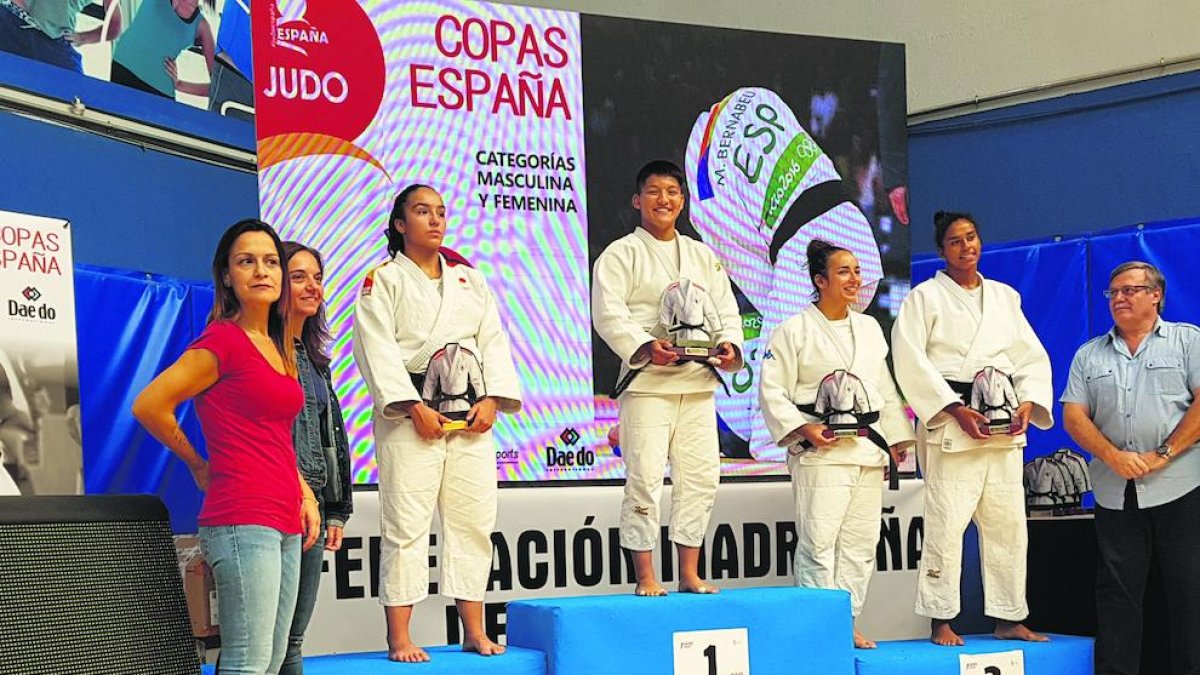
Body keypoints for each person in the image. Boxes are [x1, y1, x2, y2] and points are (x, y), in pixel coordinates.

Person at [132, 219, 320, 674]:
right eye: (246, 261)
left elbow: (275, 434)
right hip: (241, 516)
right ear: (227, 276)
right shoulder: (223, 340)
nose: (261, 271)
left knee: (273, 659)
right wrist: (198, 463)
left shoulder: (279, 346)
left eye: (271, 261)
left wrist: (305, 492)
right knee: (248, 660)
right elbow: (150, 404)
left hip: (284, 516)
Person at [353, 184, 521, 662]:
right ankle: (400, 637)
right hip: (413, 419)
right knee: (406, 526)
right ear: (400, 224)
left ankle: (473, 628)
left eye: (441, 212)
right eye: (422, 212)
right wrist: (411, 406)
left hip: (469, 419)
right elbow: (376, 348)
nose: (434, 220)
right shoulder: (381, 280)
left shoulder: (471, 281)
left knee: (472, 524)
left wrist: (491, 399)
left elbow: (494, 342)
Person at [891, 211, 1052, 646]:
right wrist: (954, 408)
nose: (967, 247)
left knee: (1007, 525)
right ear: (942, 250)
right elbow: (909, 360)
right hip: (953, 426)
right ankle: (940, 619)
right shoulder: (923, 299)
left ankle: (1008, 615)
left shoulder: (1005, 298)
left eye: (972, 237)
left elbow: (1031, 358)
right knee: (946, 525)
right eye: (956, 241)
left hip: (1001, 427)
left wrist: (1028, 402)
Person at [592, 160, 744, 597]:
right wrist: (644, 345)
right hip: (647, 385)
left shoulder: (701, 254)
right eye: (655, 192)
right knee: (644, 478)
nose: (665, 199)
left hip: (697, 384)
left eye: (673, 192)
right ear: (638, 201)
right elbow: (609, 313)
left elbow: (725, 309)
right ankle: (646, 576)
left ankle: (690, 572)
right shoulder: (621, 253)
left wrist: (729, 344)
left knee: (700, 479)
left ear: (683, 200)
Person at [758, 239, 913, 649]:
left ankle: (846, 623)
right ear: (819, 280)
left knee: (861, 545)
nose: (855, 279)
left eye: (857, 271)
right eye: (844, 272)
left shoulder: (868, 327)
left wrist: (896, 437)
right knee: (819, 543)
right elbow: (772, 391)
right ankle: (817, 629)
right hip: (821, 453)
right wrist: (803, 428)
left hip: (866, 449)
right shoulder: (792, 330)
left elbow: (883, 386)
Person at [1061, 261, 1200, 675]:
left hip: (1182, 486)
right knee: (1116, 597)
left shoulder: (1186, 341)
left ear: (1156, 294)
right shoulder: (1089, 353)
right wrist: (1112, 456)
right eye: (1113, 293)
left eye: (1130, 290)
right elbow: (1073, 416)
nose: (1119, 298)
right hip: (1114, 491)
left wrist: (1165, 453)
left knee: (1189, 595)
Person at [280, 242, 354, 675]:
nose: (313, 286)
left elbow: (332, 439)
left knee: (291, 640)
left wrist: (336, 510)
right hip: (276, 505)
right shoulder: (263, 352)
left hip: (314, 508)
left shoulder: (314, 359)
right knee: (266, 644)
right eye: (299, 276)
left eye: (318, 277)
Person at [109, 0, 215, 100]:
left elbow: (218, 85)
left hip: (159, 90)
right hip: (123, 67)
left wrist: (181, 85)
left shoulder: (202, 26)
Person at [0, 0, 122, 72]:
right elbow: (114, 27)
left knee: (75, 98)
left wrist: (82, 38)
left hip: (51, 40)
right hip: (11, 18)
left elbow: (114, 27)